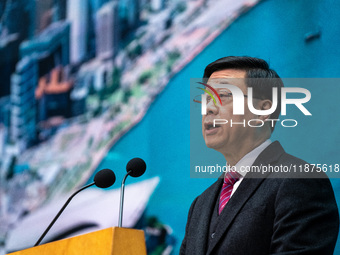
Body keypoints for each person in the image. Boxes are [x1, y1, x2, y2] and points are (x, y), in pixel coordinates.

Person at [180, 56, 339, 255]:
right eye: (206, 99)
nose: (209, 108)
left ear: (263, 110)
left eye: (224, 95)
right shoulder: (200, 205)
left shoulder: (300, 180)